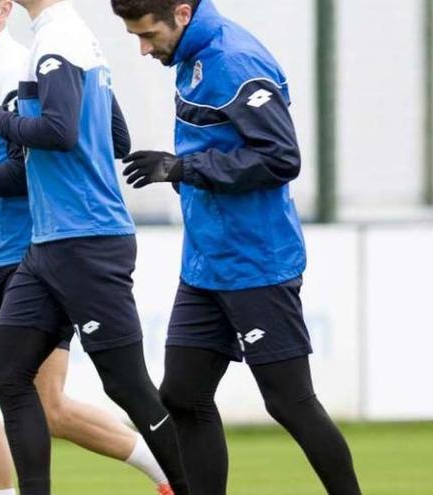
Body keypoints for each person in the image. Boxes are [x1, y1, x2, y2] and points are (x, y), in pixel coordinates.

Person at [0, 1, 171, 494]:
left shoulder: (28, 59)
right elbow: (0, 151)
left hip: (44, 247)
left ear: (3, 12)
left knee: (55, 405)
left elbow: (35, 161)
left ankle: (172, 470)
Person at [109, 1, 363, 494]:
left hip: (256, 262)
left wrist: (185, 168)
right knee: (182, 395)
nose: (142, 49)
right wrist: (184, 171)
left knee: (289, 401)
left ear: (181, 13)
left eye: (147, 35)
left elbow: (281, 158)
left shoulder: (234, 60)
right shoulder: (188, 55)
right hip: (206, 262)